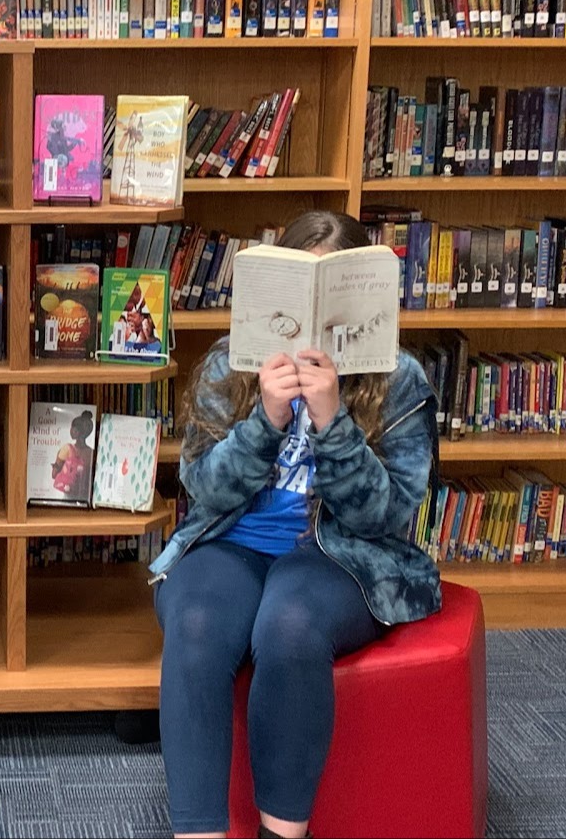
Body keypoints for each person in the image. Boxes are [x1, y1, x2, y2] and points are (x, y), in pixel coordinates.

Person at [148, 211, 441, 839]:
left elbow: (384, 516)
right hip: (231, 541)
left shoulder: (399, 378)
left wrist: (335, 425)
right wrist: (267, 420)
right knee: (196, 622)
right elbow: (201, 488)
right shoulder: (231, 364)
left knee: (289, 624)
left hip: (345, 556)